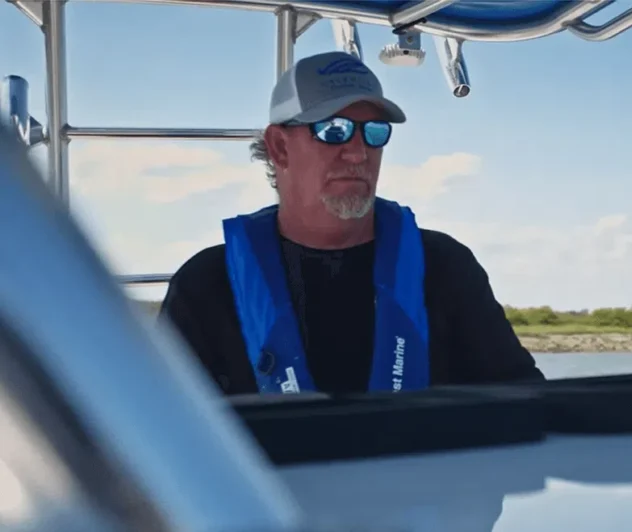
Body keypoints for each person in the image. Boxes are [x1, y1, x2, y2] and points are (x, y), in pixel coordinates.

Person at [159, 51, 544, 396]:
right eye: (333, 130)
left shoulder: (444, 267)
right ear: (279, 147)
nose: (358, 153)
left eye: (375, 133)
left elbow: (524, 399)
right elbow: (160, 436)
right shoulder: (207, 285)